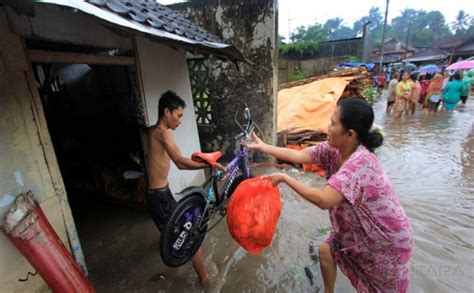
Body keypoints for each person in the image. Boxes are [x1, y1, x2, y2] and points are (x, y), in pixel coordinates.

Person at [245, 98, 413, 293]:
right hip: (356, 232)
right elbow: (299, 156)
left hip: (384, 242)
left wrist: (285, 178)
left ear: (349, 134)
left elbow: (324, 200)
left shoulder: (361, 163)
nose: (328, 127)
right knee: (327, 250)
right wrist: (262, 146)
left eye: (333, 123)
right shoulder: (333, 150)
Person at [146, 90, 224, 285]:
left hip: (157, 195)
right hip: (160, 197)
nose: (180, 120)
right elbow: (181, 162)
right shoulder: (163, 133)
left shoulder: (152, 131)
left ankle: (173, 252)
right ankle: (206, 280)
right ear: (167, 112)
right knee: (190, 233)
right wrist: (208, 164)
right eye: (178, 115)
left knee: (171, 234)